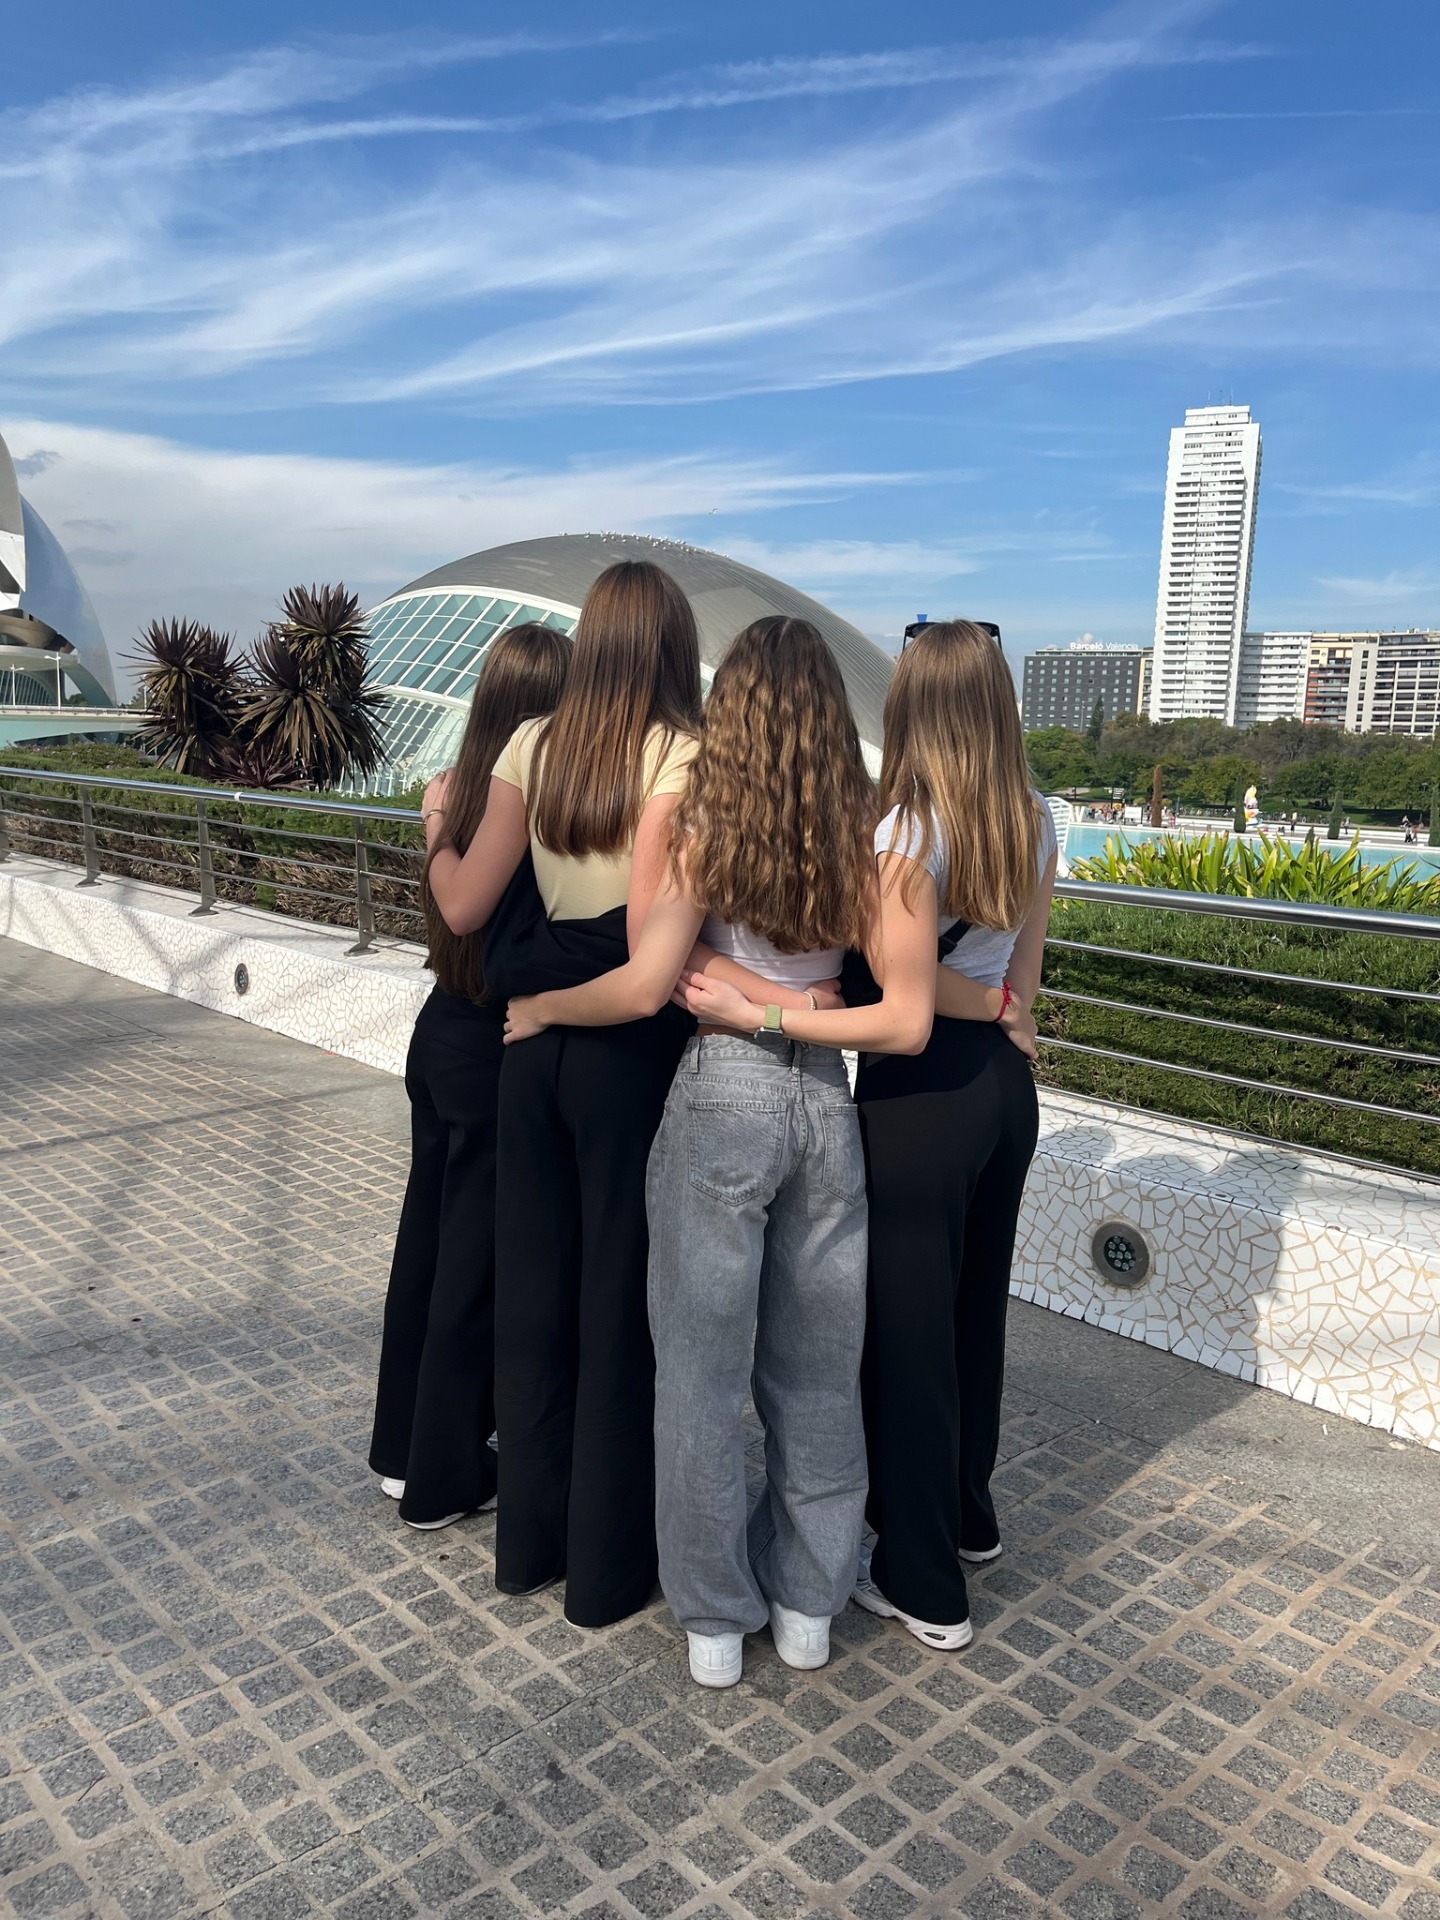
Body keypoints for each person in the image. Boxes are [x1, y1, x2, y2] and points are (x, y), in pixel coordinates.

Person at [503, 617, 878, 1689]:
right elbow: (871, 985)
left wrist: (735, 994)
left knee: (701, 1376)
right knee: (819, 1376)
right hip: (825, 1099)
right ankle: (808, 1609)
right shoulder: (866, 828)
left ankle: (714, 1621)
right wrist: (804, 1000)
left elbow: (657, 972)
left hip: (722, 1090)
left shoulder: (702, 821)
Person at [684, 620, 1054, 1652]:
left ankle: (923, 1581)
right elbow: (1017, 990)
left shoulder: (905, 835)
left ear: (909, 707)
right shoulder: (1034, 818)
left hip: (920, 1103)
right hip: (1003, 1096)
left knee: (905, 1344)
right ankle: (967, 1517)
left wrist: (762, 1012)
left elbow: (900, 1014)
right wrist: (998, 1008)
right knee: (974, 1318)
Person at [424, 560, 700, 1628]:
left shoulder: (532, 744)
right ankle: (604, 1568)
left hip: (528, 1046)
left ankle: (528, 1548)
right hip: (628, 1051)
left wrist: (435, 830)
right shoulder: (684, 753)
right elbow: (647, 946)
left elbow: (465, 903)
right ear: (673, 645)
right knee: (618, 1300)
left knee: (535, 1298)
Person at [368, 622, 571, 1530]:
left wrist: (432, 827)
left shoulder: (453, 790)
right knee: (474, 1264)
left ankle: (402, 1450)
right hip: (494, 1043)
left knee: (427, 1243)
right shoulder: (529, 801)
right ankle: (444, 1475)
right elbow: (467, 906)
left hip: (442, 1029)